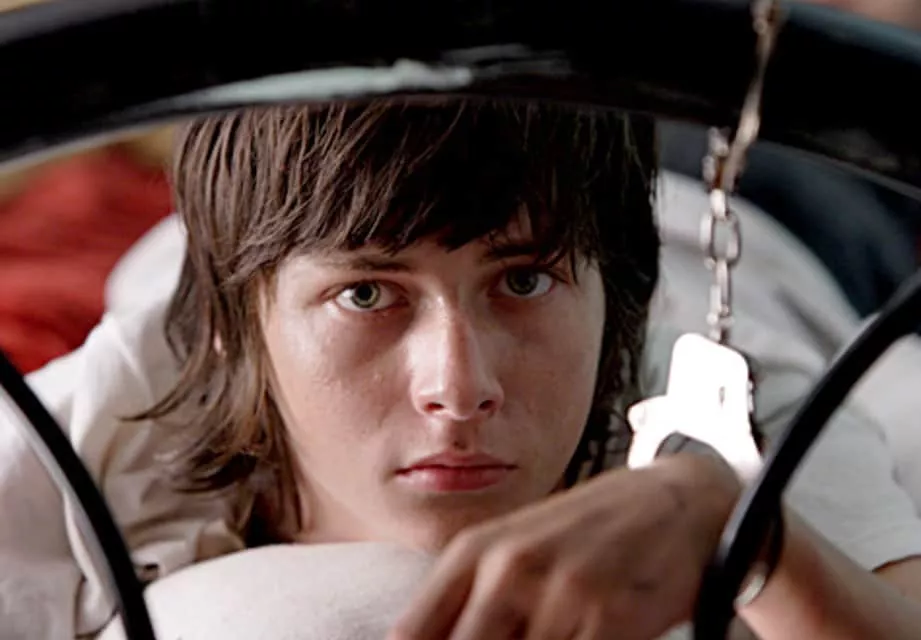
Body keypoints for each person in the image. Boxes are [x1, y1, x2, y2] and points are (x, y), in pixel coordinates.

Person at [3, 98, 921, 640]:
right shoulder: (109, 425)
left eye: (521, 282)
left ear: (620, 305)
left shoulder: (717, 397)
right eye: (370, 297)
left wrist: (740, 529)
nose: (459, 385)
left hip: (759, 210)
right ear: (230, 328)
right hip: (250, 234)